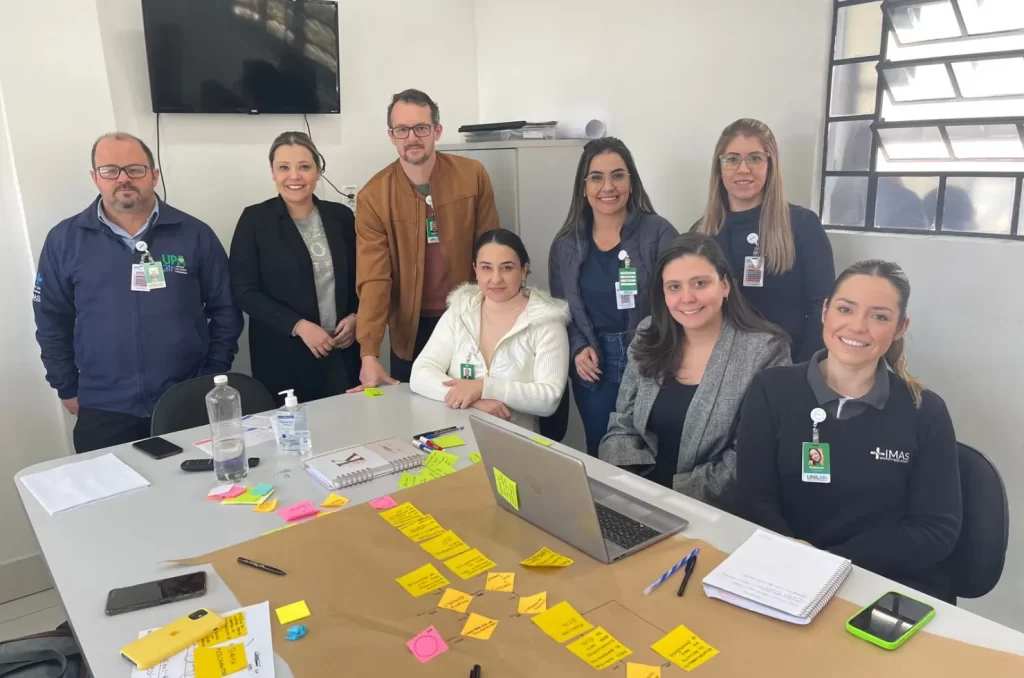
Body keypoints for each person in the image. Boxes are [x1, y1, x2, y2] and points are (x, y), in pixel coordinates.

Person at [735, 260, 962, 601]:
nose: (857, 326)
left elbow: (935, 529)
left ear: (901, 327)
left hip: (886, 585)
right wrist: (793, 556)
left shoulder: (925, 412)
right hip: (786, 573)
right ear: (825, 311)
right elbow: (754, 497)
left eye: (879, 316)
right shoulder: (772, 389)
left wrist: (835, 563)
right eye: (845, 308)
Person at [33, 132, 242, 453]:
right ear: (95, 177)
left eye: (135, 169)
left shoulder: (194, 234)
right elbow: (51, 318)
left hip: (186, 401)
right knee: (111, 500)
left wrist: (210, 373)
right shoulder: (65, 240)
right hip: (103, 406)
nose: (123, 178)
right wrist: (66, 385)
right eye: (109, 170)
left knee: (199, 497)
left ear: (154, 175)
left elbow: (226, 309)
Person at [598, 234, 790, 507]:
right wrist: (629, 487)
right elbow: (623, 423)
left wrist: (672, 498)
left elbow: (750, 456)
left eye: (700, 283)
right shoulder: (648, 334)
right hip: (638, 498)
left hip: (714, 511)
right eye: (674, 287)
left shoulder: (765, 351)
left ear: (725, 286)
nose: (687, 298)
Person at [351, 88, 499, 389]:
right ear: (391, 136)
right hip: (410, 330)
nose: (412, 138)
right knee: (415, 420)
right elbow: (374, 279)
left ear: (437, 131)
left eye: (421, 128)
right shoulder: (374, 196)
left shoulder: (473, 176)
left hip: (469, 321)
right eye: (402, 130)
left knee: (471, 411)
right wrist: (369, 352)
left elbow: (492, 253)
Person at [549, 137, 678, 457]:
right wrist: (578, 348)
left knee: (655, 450)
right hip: (596, 364)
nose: (608, 186)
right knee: (603, 449)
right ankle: (605, 510)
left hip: (651, 356)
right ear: (583, 187)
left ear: (631, 182)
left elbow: (678, 299)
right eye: (597, 177)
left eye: (618, 175)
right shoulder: (566, 244)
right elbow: (561, 308)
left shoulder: (659, 233)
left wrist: (660, 348)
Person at [229, 131, 359, 405]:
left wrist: (357, 316)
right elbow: (243, 291)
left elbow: (363, 277)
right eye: (284, 168)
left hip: (341, 349)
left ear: (318, 171)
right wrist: (298, 326)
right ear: (273, 173)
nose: (294, 176)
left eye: (304, 167)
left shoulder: (342, 217)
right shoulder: (255, 220)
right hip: (283, 355)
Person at [693, 118, 835, 361]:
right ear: (719, 167)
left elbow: (821, 307)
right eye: (732, 159)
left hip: (786, 364)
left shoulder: (802, 225)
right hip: (719, 367)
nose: (743, 169)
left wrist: (802, 372)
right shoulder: (702, 234)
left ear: (771, 163)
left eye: (755, 158)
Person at [410, 229, 569, 432]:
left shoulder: (546, 321)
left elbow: (549, 398)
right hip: (454, 434)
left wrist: (483, 387)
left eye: (507, 268)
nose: (495, 279)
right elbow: (420, 373)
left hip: (515, 441)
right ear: (475, 270)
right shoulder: (460, 310)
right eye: (486, 268)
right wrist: (474, 400)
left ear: (523, 270)